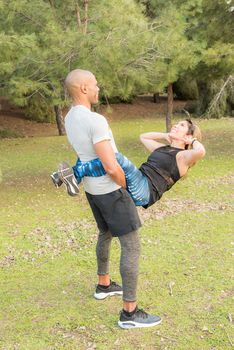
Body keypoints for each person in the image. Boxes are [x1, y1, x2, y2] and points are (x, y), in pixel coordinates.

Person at [60, 68, 161, 329]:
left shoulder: (69, 117)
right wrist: (129, 188)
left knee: (105, 233)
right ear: (83, 88)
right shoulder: (96, 120)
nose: (98, 88)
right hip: (110, 191)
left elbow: (87, 157)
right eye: (94, 84)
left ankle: (103, 284)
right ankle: (130, 313)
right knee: (131, 245)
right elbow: (111, 165)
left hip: (93, 192)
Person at [52, 119, 205, 208]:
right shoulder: (163, 149)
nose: (176, 125)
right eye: (177, 123)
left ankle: (74, 176)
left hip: (144, 190)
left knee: (115, 157)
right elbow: (144, 137)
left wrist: (193, 141)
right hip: (137, 180)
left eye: (182, 126)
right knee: (100, 152)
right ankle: (69, 179)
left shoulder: (182, 157)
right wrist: (166, 135)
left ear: (188, 135)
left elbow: (200, 152)